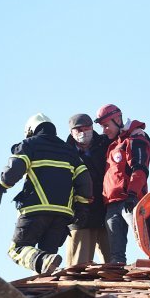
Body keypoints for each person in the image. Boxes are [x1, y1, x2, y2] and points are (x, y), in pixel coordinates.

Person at [0, 113, 92, 275]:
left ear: (31, 130)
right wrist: (82, 208)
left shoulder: (29, 144)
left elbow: (16, 167)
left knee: (17, 249)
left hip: (35, 210)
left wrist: (1, 186)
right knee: (48, 265)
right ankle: (48, 280)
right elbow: (85, 181)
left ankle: (43, 261)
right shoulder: (69, 151)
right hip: (62, 215)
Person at [95, 104, 150, 264]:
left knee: (145, 241)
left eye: (106, 125)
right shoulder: (113, 144)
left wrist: (132, 194)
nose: (104, 130)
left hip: (130, 201)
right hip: (112, 204)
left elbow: (139, 169)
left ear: (118, 119)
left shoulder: (135, 139)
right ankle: (117, 273)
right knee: (116, 255)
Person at [65, 113, 111, 265]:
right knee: (78, 266)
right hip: (79, 214)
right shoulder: (65, 152)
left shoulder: (106, 143)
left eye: (87, 128)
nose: (83, 132)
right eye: (79, 129)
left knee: (114, 265)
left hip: (106, 212)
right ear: (71, 132)